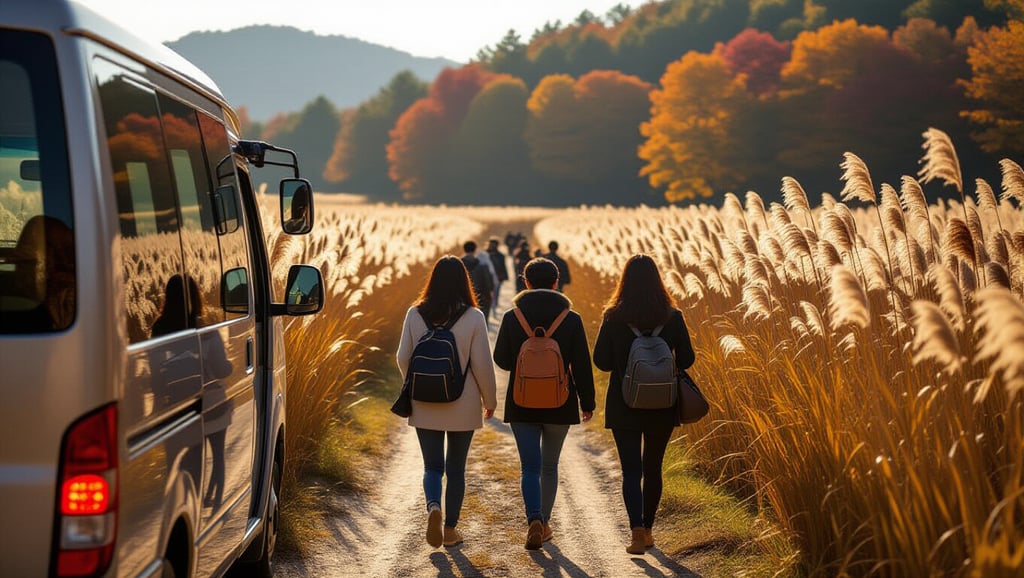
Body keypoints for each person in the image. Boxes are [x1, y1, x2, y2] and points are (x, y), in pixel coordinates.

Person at [592, 254, 695, 555]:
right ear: (657, 280)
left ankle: (636, 531)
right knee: (653, 468)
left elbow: (601, 361)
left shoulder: (613, 316)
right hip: (663, 403)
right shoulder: (672, 316)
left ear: (625, 281)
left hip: (624, 404)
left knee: (630, 471)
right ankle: (649, 529)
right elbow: (687, 359)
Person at [493, 257, 595, 550]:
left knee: (529, 467)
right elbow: (582, 364)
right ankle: (545, 523)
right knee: (549, 466)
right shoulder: (571, 318)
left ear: (525, 281)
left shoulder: (513, 317)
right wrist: (586, 401)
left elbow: (501, 359)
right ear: (556, 282)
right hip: (560, 403)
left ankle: (533, 519)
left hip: (521, 402)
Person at [396, 256, 498, 549]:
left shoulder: (414, 313)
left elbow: (403, 357)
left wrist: (418, 384)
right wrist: (489, 400)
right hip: (463, 403)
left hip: (424, 402)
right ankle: (451, 529)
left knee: (432, 467)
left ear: (433, 280)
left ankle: (432, 507)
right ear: (464, 281)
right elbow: (482, 365)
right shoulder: (474, 317)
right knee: (456, 469)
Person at [461, 240, 495, 319]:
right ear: (475, 250)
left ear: (464, 249)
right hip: (480, 297)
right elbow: (488, 283)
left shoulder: (458, 264)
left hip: (462, 300)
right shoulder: (482, 265)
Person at [486, 237, 509, 315]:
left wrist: (504, 277)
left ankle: (494, 307)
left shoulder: (500, 256)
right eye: (491, 244)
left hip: (498, 277)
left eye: (494, 245)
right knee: (488, 294)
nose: (492, 246)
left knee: (496, 293)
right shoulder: (484, 255)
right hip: (487, 278)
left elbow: (503, 266)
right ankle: (490, 308)